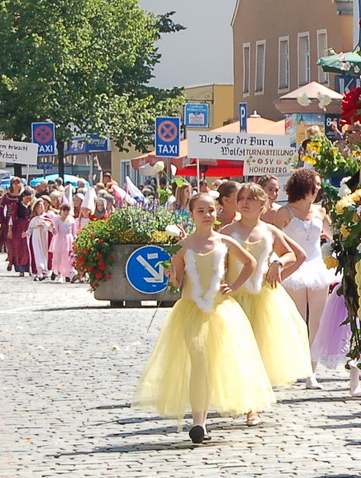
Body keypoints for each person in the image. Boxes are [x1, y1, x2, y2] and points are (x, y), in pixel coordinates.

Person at [131, 193, 272, 444]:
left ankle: (223, 412)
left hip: (221, 312)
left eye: (211, 210)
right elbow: (176, 283)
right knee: (199, 360)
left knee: (214, 363)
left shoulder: (225, 241)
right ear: (192, 215)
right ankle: (199, 423)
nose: (207, 215)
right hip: (191, 311)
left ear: (217, 213)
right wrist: (171, 273)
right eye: (201, 211)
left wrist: (234, 285)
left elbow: (250, 263)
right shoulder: (183, 246)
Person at [224, 183, 312, 408]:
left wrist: (278, 264)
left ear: (262, 203)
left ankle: (252, 407)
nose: (244, 202)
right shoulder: (227, 232)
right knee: (236, 351)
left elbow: (295, 255)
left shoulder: (270, 231)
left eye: (250, 198)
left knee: (258, 352)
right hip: (234, 298)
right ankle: (238, 398)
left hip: (263, 299)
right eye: (241, 198)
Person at [278, 167, 335, 389]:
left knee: (317, 321)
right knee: (297, 320)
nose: (319, 188)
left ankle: (312, 372)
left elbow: (333, 235)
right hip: (294, 268)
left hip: (316, 266)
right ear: (304, 186)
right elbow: (275, 241)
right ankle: (295, 366)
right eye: (315, 184)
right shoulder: (284, 212)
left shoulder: (320, 211)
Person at [50, 198, 81, 282]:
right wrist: (53, 228)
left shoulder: (71, 219)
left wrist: (75, 239)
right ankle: (59, 273)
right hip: (59, 239)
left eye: (67, 210)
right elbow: (55, 232)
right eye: (64, 210)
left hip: (68, 239)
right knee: (58, 257)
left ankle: (67, 273)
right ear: (61, 210)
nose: (66, 212)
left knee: (67, 257)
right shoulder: (57, 219)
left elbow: (74, 231)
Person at [27, 197, 53, 281]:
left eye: (42, 205)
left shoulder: (46, 217)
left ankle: (45, 270)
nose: (41, 207)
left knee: (44, 253)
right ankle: (39, 271)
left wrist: (44, 223)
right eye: (39, 206)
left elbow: (50, 226)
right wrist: (27, 233)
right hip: (36, 237)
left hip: (44, 237)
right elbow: (30, 228)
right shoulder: (34, 218)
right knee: (37, 253)